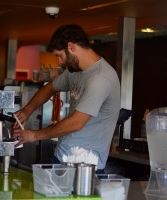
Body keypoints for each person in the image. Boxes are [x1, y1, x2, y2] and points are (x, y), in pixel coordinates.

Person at [13, 24, 120, 173]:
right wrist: (27, 110)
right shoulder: (74, 71)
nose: (60, 62)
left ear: (71, 47)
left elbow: (76, 123)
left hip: (85, 165)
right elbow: (50, 88)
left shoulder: (101, 78)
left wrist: (35, 135)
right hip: (62, 156)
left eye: (59, 56)